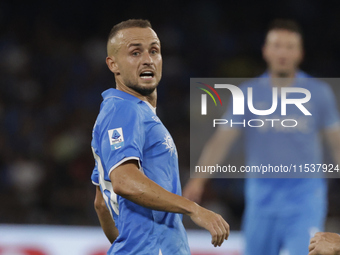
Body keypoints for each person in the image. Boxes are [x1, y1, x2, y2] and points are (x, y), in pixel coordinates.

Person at [184, 19, 340, 255]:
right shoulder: (247, 94)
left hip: (305, 202)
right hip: (260, 203)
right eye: (277, 45)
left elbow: (336, 142)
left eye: (289, 46)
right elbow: (221, 141)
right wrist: (198, 179)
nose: (283, 53)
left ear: (300, 53)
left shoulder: (320, 93)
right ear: (266, 51)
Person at [90, 19, 229, 255]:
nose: (147, 59)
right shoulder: (124, 109)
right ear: (113, 64)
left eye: (154, 50)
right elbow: (124, 181)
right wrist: (194, 209)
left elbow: (101, 204)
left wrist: (129, 246)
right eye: (135, 52)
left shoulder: (135, 113)